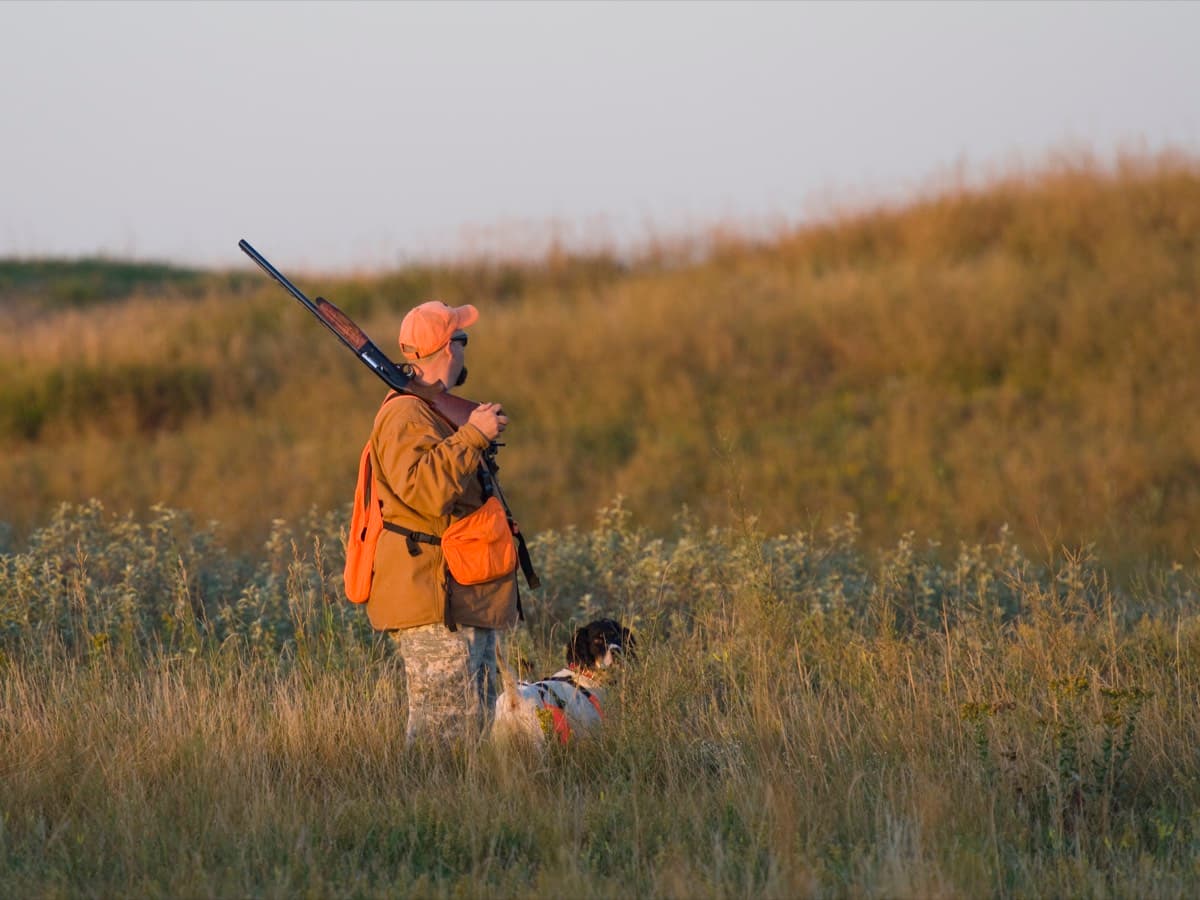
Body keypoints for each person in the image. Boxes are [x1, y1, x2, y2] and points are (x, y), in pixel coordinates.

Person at [364, 300, 521, 745]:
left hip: (459, 592)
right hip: (434, 596)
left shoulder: (432, 410)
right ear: (448, 349)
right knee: (442, 732)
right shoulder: (405, 415)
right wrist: (473, 435)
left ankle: (453, 811)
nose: (465, 350)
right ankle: (420, 814)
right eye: (463, 339)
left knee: (469, 726)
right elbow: (426, 492)